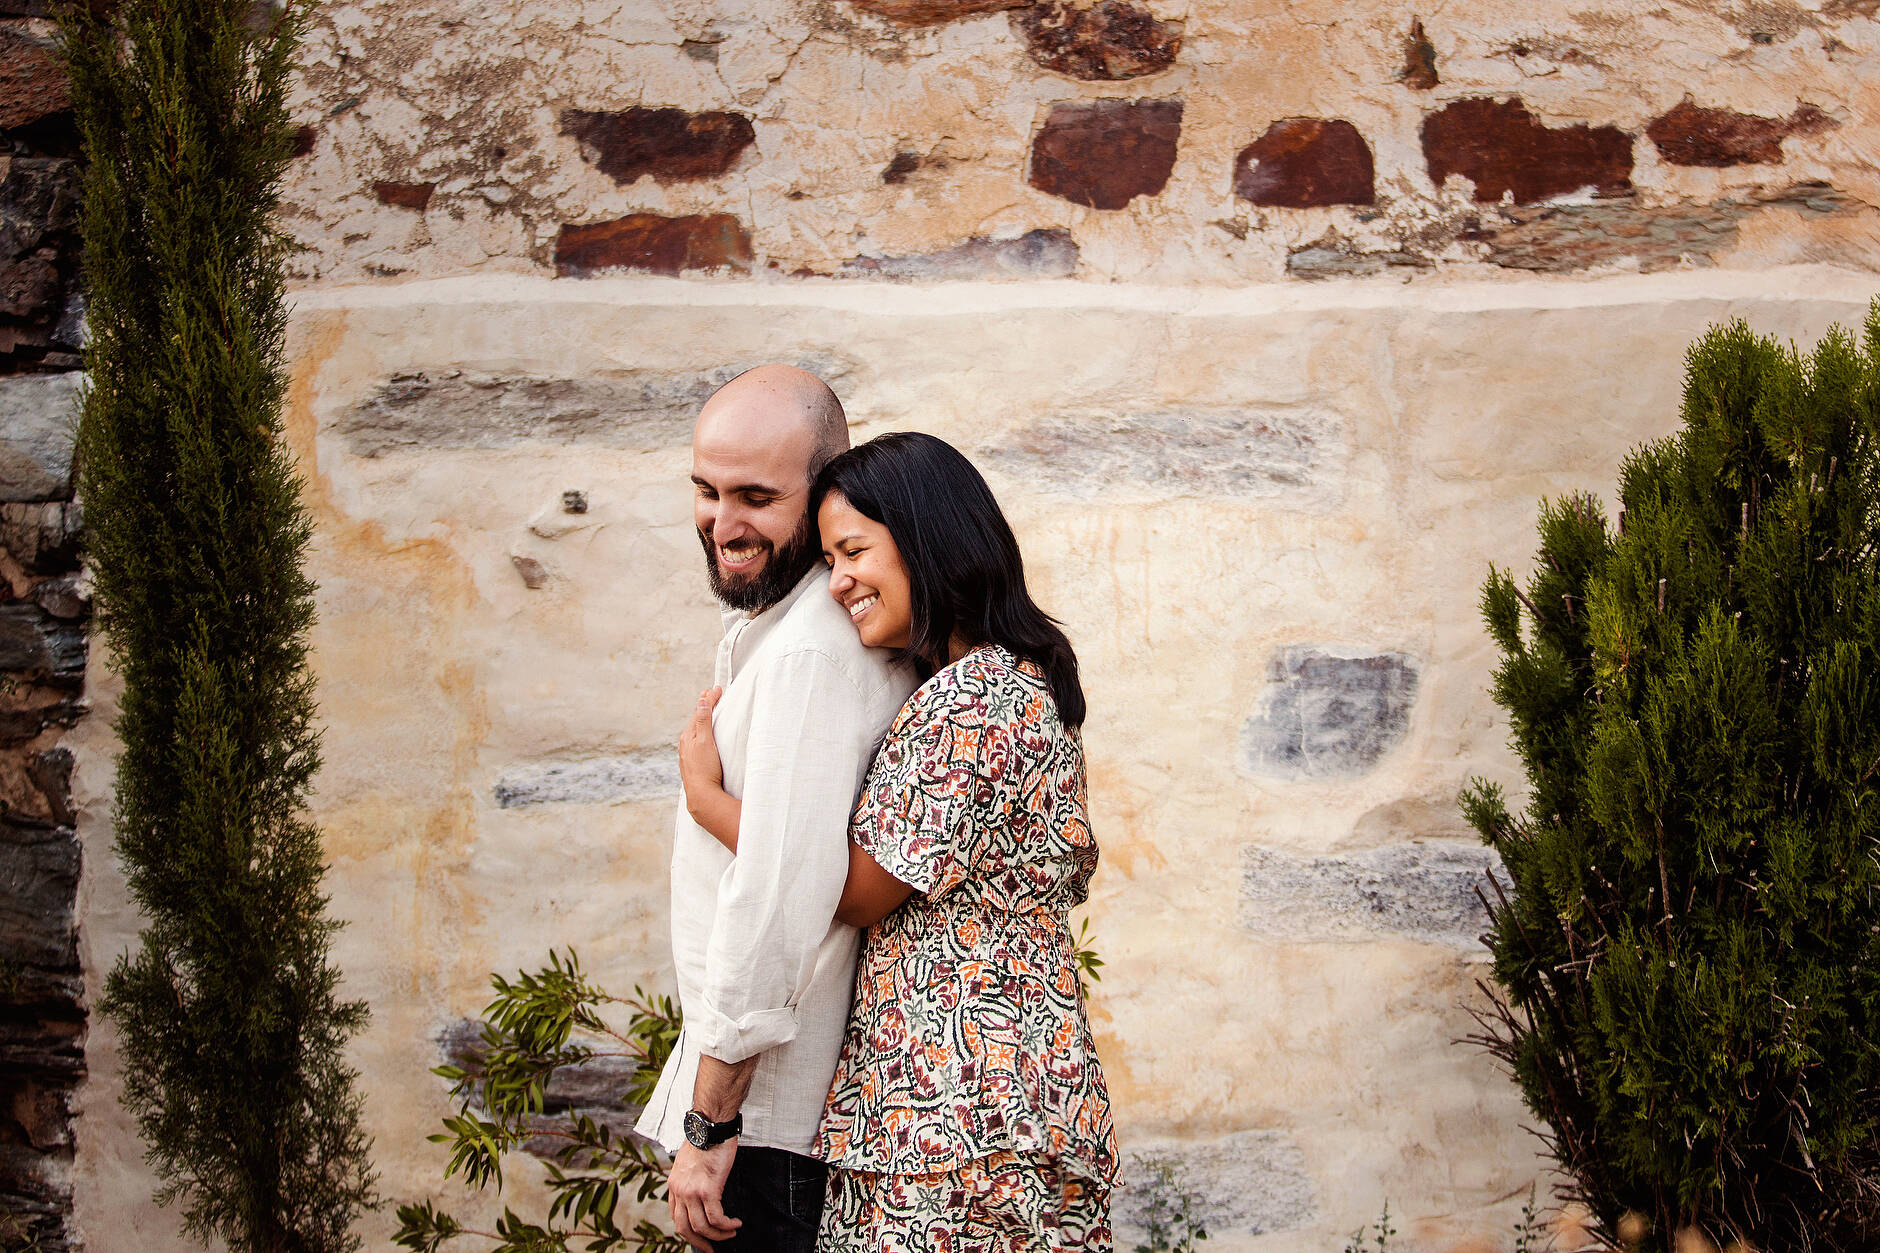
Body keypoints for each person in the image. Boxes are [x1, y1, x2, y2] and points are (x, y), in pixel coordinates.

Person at [680, 431, 1117, 1251]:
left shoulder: (972, 702)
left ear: (927, 543)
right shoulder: (997, 682)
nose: (837, 580)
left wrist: (709, 800)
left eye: (853, 552)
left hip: (958, 1101)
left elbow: (850, 888)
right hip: (973, 1091)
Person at [636, 366, 918, 1253]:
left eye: (757, 496)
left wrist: (710, 1125)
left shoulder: (808, 653)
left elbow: (777, 906)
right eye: (706, 491)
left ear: (825, 491)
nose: (723, 524)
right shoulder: (795, 632)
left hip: (765, 1126)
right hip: (767, 1122)